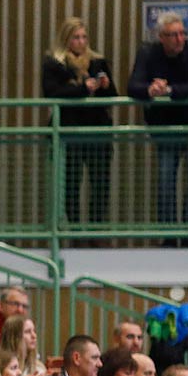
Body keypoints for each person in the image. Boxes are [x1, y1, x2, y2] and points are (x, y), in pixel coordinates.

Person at [128, 10, 188, 230]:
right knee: (165, 181)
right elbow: (133, 86)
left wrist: (168, 90)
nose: (180, 39)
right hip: (164, 126)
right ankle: (169, 235)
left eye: (182, 33)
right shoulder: (147, 52)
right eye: (173, 35)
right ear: (161, 37)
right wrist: (150, 89)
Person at [41, 16, 116, 225]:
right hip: (69, 131)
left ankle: (96, 228)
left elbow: (113, 95)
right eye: (76, 37)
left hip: (97, 131)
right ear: (66, 39)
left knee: (100, 181)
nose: (81, 42)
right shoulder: (54, 64)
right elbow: (52, 92)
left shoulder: (97, 62)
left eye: (84, 37)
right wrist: (83, 89)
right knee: (71, 183)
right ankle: (74, 228)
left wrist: (105, 85)